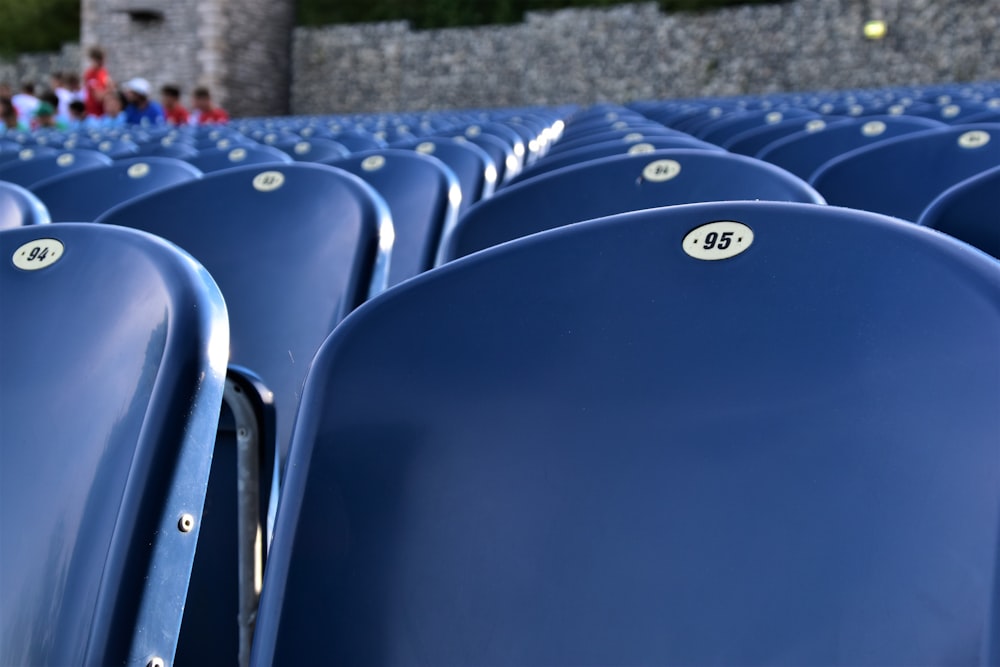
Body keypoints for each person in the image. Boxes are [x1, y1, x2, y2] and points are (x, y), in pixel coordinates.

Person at [83, 46, 112, 117]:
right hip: (94, 114)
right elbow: (99, 97)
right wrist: (110, 88)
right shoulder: (90, 74)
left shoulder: (103, 72)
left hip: (103, 113)